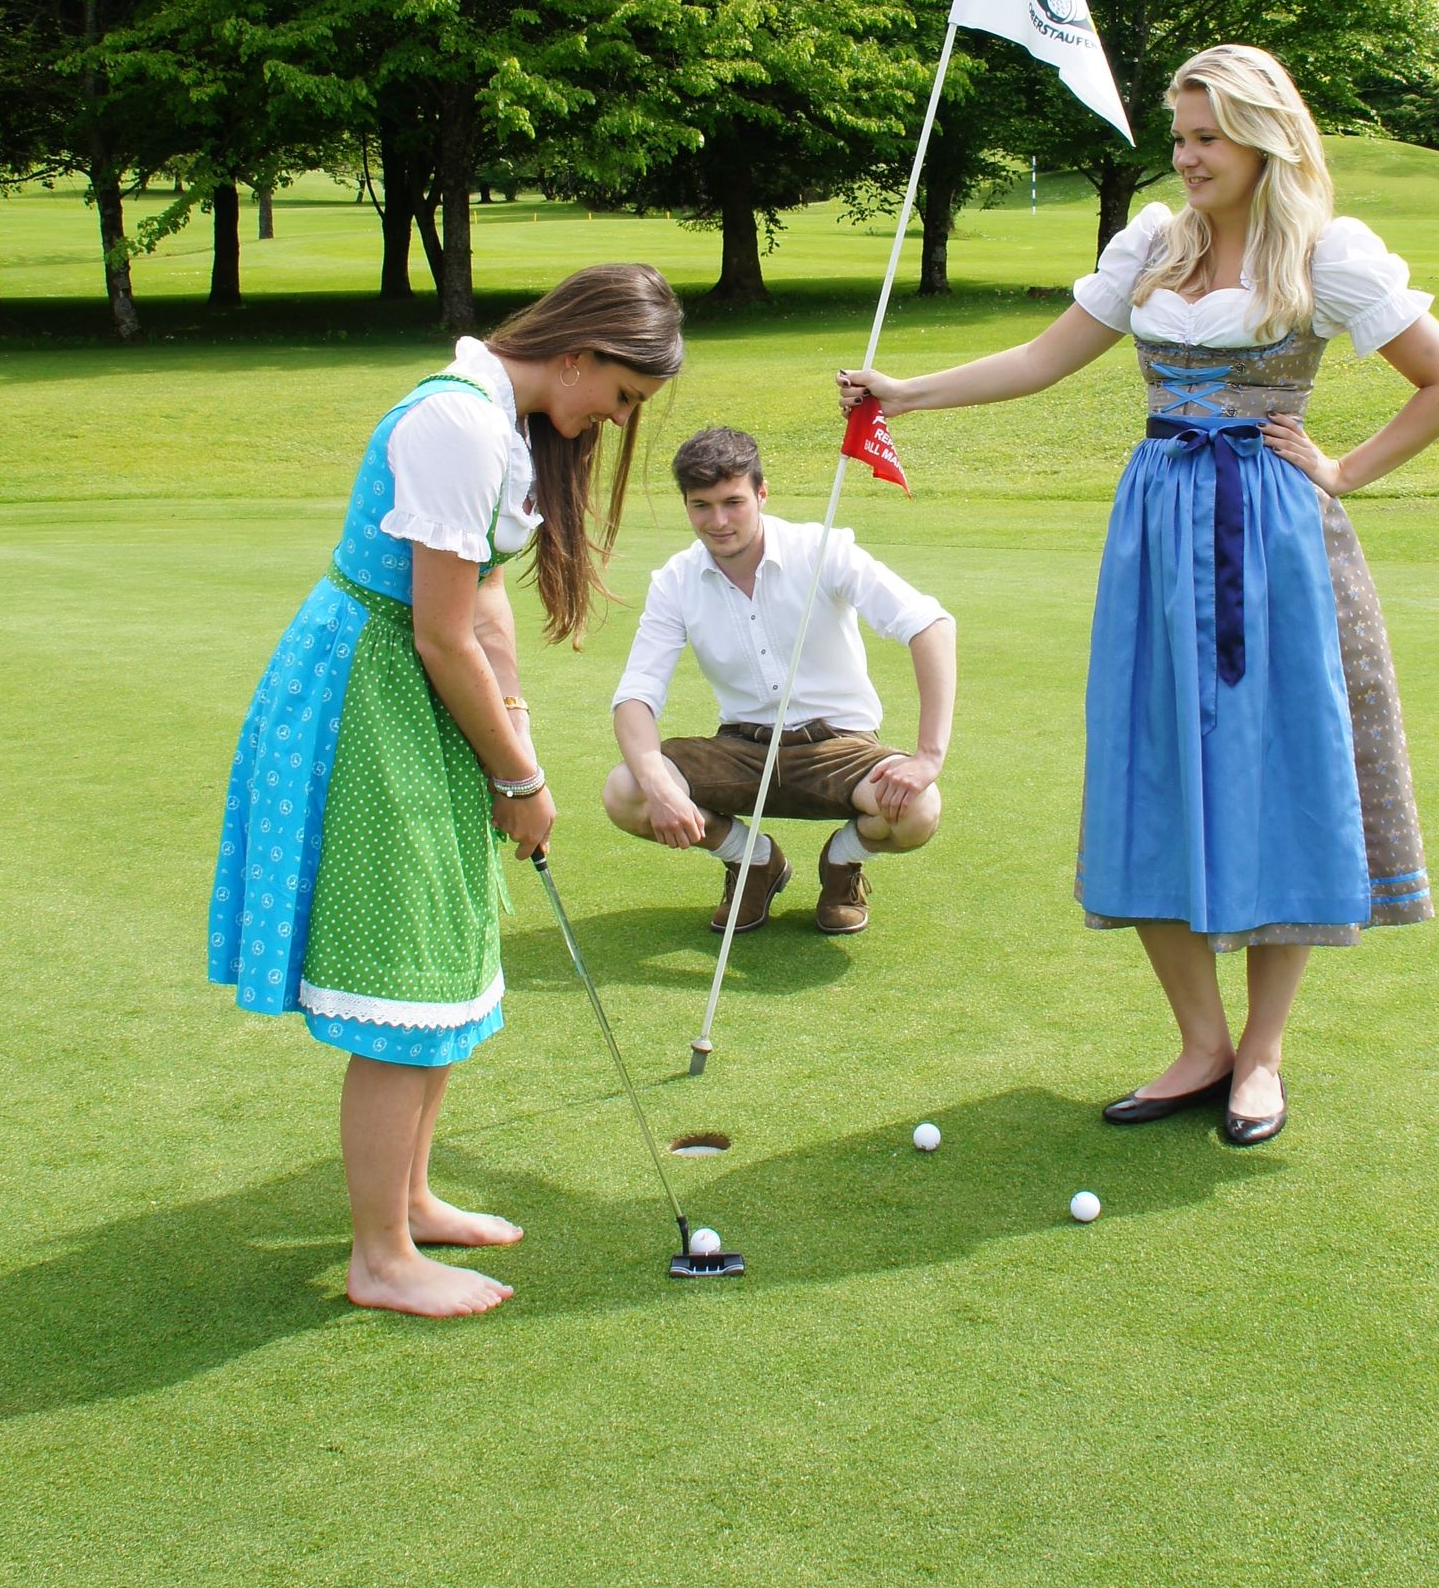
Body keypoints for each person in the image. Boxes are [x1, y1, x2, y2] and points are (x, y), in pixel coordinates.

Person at [840, 44, 1439, 1147]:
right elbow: (1045, 359)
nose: (1186, 156)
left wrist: (1341, 469)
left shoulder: (1328, 255)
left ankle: (1263, 1054)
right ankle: (1200, 1042)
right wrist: (910, 392)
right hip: (1152, 531)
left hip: (1272, 539)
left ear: (1264, 140)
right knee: (1153, 764)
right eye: (1179, 135)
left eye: (1206, 136)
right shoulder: (1152, 242)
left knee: (1274, 770)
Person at [209, 265, 683, 1318]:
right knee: (403, 980)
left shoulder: (505, 426)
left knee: (439, 952)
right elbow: (435, 627)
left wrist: (518, 736)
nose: (616, 417)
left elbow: (482, 600)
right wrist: (514, 774)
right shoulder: (456, 426)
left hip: (421, 696)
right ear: (579, 354)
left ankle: (411, 1198)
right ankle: (379, 1255)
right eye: (622, 394)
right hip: (373, 696)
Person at [602, 426, 956, 937]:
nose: (718, 521)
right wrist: (658, 783)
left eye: (733, 502)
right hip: (741, 749)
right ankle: (754, 861)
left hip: (840, 748)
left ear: (762, 493)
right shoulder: (674, 581)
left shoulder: (822, 549)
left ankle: (841, 862)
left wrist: (928, 756)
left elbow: (930, 625)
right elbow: (636, 696)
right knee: (626, 790)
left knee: (918, 809)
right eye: (701, 505)